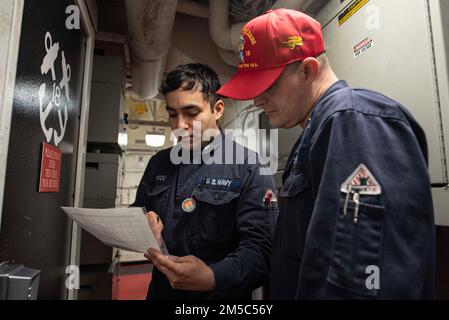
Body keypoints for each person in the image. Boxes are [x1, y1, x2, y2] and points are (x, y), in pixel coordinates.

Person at [217, 8, 435, 299]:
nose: (257, 100)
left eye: (266, 85)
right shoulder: (316, 131)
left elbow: (365, 279)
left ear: (308, 70)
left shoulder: (353, 121)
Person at [131, 63, 278, 300]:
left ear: (217, 109)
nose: (179, 125)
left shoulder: (249, 167)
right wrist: (143, 220)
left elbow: (261, 251)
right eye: (172, 114)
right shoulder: (158, 162)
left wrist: (212, 276)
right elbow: (137, 210)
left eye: (191, 113)